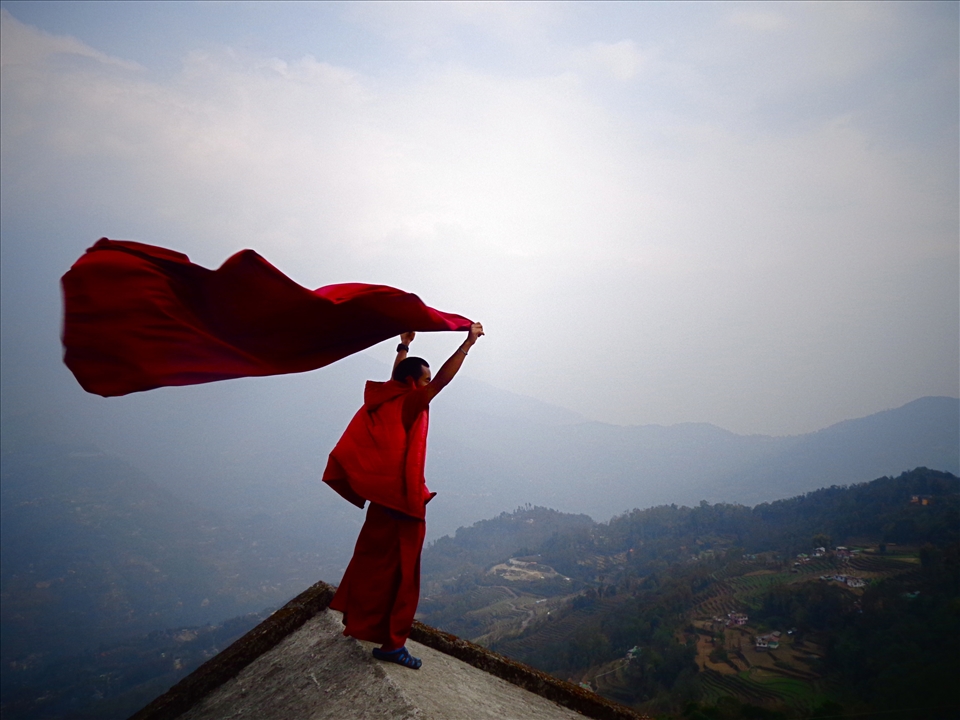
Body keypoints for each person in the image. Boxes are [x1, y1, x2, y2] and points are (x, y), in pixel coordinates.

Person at [323, 322, 484, 669]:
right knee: (405, 578)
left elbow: (401, 376)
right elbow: (442, 379)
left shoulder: (387, 396)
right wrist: (467, 343)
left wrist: (403, 347)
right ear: (414, 384)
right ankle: (393, 645)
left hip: (382, 499)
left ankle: (358, 619)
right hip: (404, 502)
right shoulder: (412, 401)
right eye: (422, 381)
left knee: (372, 564)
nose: (427, 385)